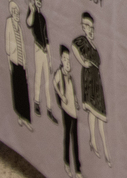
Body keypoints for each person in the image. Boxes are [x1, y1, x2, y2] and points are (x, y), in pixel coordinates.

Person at [72, 12, 109, 167]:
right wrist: (82, 61)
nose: (90, 29)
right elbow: (74, 46)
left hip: (97, 82)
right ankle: (94, 141)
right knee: (93, 111)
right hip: (89, 79)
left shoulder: (93, 44)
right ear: (83, 26)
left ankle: (103, 147)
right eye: (87, 26)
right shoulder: (83, 41)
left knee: (99, 114)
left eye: (91, 27)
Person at [26, 0, 58, 124]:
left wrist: (50, 59)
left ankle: (49, 109)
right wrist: (32, 9)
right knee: (38, 76)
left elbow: (47, 39)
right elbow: (29, 23)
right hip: (38, 48)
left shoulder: (43, 18)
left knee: (47, 80)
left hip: (45, 50)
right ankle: (37, 102)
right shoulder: (33, 14)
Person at [4, 0, 33, 132]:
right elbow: (8, 42)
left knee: (24, 90)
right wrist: (10, 59)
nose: (16, 13)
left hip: (21, 62)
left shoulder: (20, 26)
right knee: (17, 89)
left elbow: (23, 43)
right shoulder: (9, 23)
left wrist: (26, 64)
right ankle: (21, 116)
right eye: (14, 10)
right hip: (14, 61)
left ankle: (26, 117)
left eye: (17, 11)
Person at [53, 45, 83, 177]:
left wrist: (75, 99)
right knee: (67, 135)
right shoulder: (60, 73)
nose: (67, 61)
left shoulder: (69, 73)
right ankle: (66, 162)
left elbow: (73, 87)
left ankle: (78, 168)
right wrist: (62, 95)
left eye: (68, 58)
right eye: (64, 58)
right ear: (61, 59)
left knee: (75, 138)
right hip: (66, 109)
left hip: (73, 110)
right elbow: (54, 83)